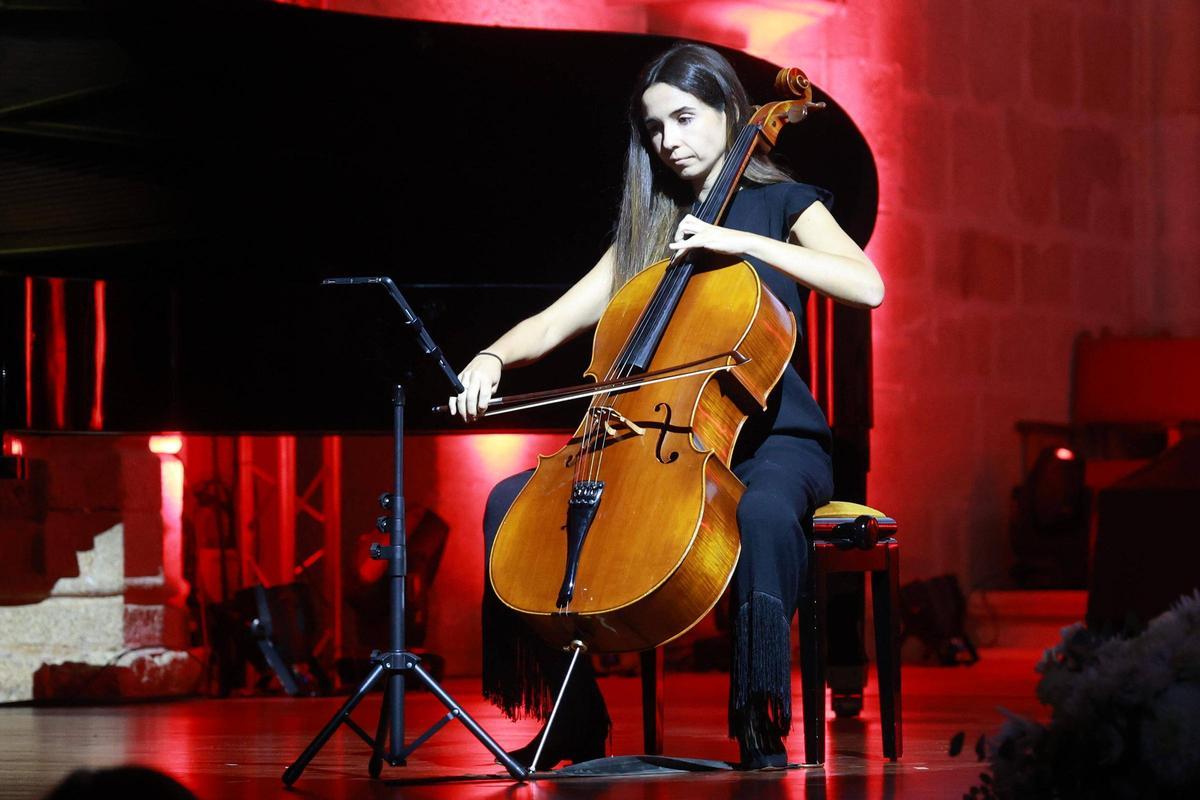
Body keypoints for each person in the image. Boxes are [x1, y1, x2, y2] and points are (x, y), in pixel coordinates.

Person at [448, 42, 883, 769]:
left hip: (776, 441)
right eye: (654, 128)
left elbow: (865, 285)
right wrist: (490, 356)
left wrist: (733, 238)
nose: (669, 140)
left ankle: (758, 717)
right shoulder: (652, 232)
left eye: (684, 118)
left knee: (766, 512)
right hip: (658, 439)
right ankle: (574, 717)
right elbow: (556, 322)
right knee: (508, 505)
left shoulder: (784, 203)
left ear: (728, 112)